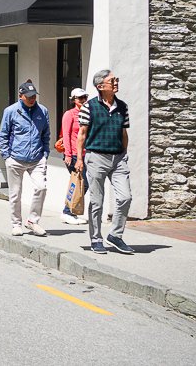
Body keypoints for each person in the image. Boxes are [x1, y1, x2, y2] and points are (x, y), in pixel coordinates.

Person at [77, 69, 133, 255]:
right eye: (112, 80)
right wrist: (79, 159)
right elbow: (82, 134)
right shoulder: (89, 107)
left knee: (125, 197)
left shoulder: (122, 106)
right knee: (97, 201)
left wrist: (124, 154)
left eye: (116, 79)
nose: (116, 82)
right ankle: (96, 238)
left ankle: (116, 235)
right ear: (101, 86)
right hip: (96, 157)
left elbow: (124, 133)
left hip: (118, 158)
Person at [0, 79, 51, 237]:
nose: (32, 99)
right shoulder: (11, 111)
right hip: (16, 159)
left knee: (41, 187)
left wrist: (45, 153)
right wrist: (6, 156)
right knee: (15, 194)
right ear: (20, 96)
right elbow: (3, 135)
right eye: (29, 96)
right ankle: (16, 224)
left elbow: (46, 134)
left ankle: (32, 221)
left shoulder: (43, 111)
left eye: (34, 96)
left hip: (37, 158)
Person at [61, 87, 89, 225]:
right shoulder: (70, 114)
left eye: (85, 97)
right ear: (74, 100)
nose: (83, 100)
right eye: (80, 98)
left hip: (85, 154)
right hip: (73, 155)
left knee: (82, 184)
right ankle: (67, 211)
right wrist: (67, 153)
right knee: (79, 183)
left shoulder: (88, 113)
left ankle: (71, 211)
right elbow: (65, 134)